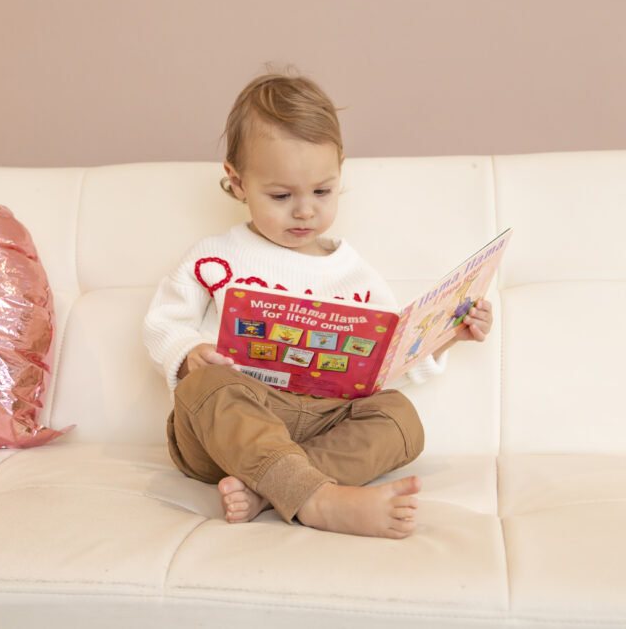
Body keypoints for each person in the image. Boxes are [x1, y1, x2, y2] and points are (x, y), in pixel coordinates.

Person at [142, 73, 493, 538]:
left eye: (322, 192)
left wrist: (443, 337)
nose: (305, 211)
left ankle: (271, 490)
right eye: (281, 196)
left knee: (401, 419)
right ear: (237, 181)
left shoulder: (356, 274)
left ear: (341, 170)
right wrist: (189, 354)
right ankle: (319, 500)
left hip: (322, 423)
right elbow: (165, 322)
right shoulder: (215, 256)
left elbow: (389, 360)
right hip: (231, 430)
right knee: (205, 385)